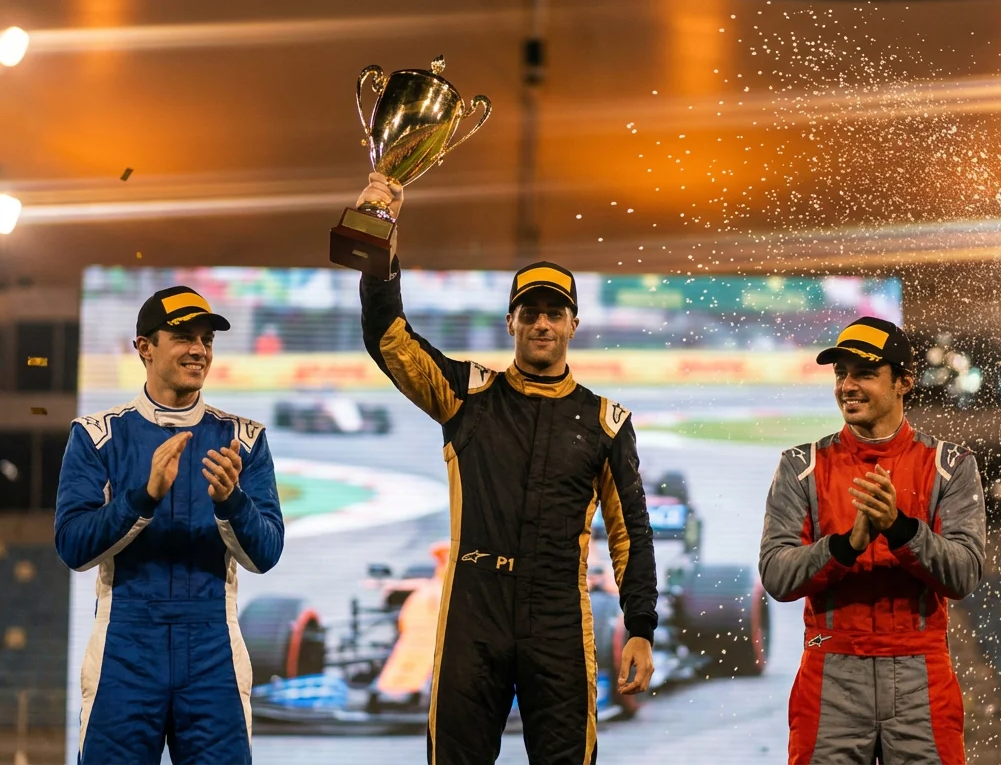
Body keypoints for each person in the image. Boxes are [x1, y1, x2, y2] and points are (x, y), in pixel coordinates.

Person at [356, 172, 657, 764]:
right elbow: (389, 338)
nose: (542, 323)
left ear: (574, 325)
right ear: (511, 323)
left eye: (554, 312)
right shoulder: (468, 395)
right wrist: (380, 246)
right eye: (530, 312)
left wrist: (640, 626)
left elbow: (631, 535)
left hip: (559, 613)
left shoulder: (606, 422)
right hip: (475, 604)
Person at [55, 285, 285, 765]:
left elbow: (266, 554)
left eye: (206, 339)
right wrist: (144, 497)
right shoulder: (96, 436)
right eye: (183, 336)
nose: (199, 349)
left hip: (213, 652)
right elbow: (73, 547)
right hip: (124, 649)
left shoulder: (244, 439)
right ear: (144, 347)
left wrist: (232, 503)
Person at [759, 316, 986, 765]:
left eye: (864, 373)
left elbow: (964, 575)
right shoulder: (799, 465)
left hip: (921, 669)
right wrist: (848, 543)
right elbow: (777, 576)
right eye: (841, 373)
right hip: (829, 663)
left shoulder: (952, 464)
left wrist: (900, 529)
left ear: (904, 382)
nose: (848, 386)